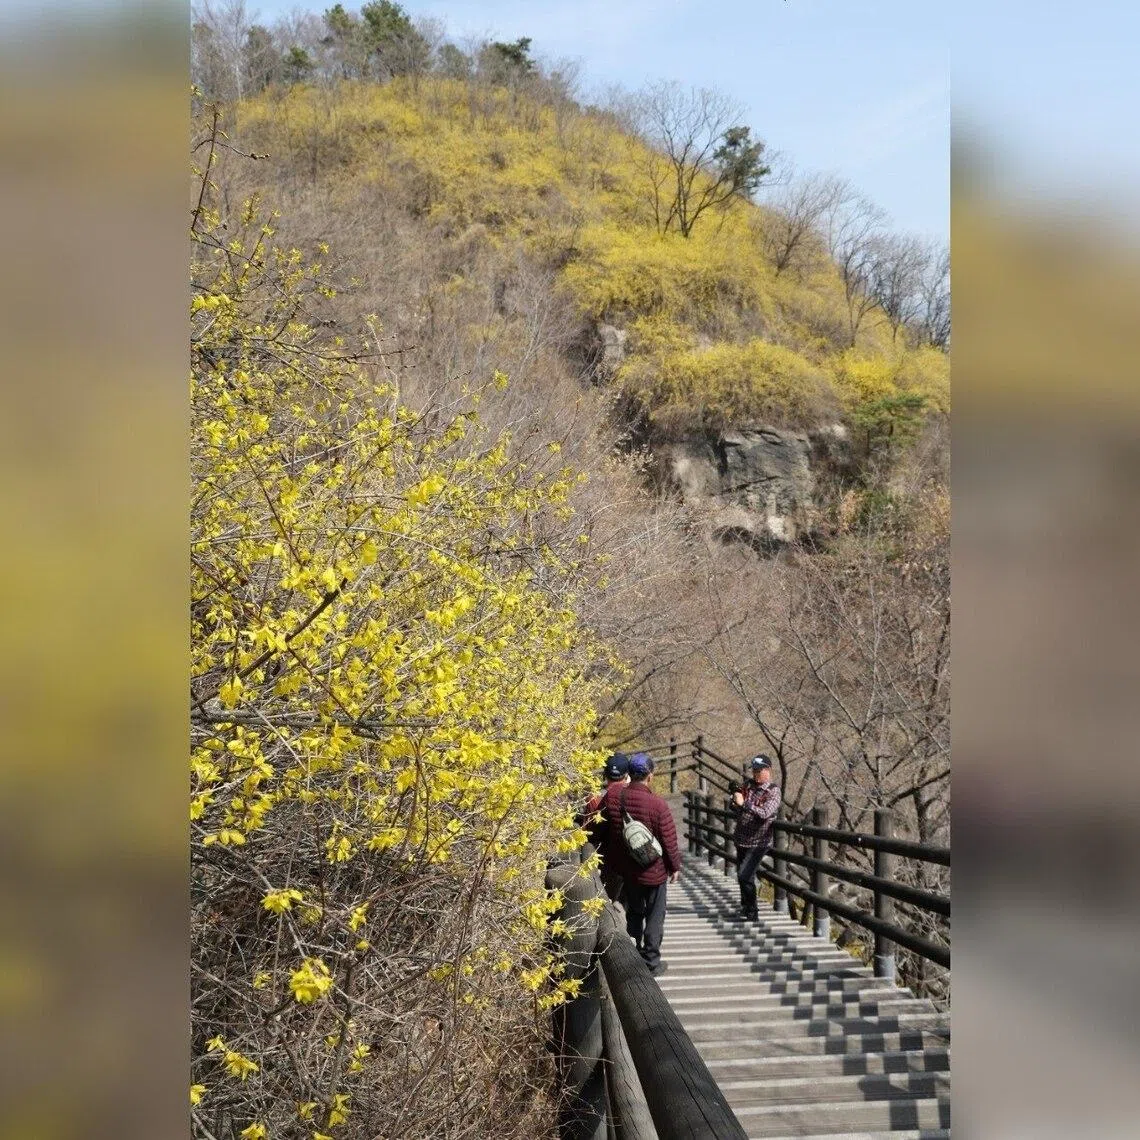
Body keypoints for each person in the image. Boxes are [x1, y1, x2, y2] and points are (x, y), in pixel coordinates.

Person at [600, 752, 682, 976]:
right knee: (655, 916)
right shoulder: (658, 805)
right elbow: (669, 841)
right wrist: (674, 867)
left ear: (629, 775)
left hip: (629, 870)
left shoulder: (615, 798)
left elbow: (605, 831)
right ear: (650, 776)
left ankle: (635, 954)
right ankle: (651, 961)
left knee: (635, 912)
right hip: (654, 871)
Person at [732, 755, 782, 920]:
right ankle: (746, 907)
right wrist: (735, 800)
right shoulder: (748, 785)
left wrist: (744, 804)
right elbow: (739, 811)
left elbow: (765, 813)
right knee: (743, 875)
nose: (755, 774)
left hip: (758, 842)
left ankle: (752, 911)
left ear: (768, 770)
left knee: (744, 875)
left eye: (758, 770)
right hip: (741, 838)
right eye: (754, 770)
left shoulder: (773, 790)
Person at [580, 752, 630, 902]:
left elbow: (589, 830)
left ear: (605, 774)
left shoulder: (594, 798)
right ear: (626, 775)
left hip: (605, 862)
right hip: (632, 861)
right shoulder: (635, 795)